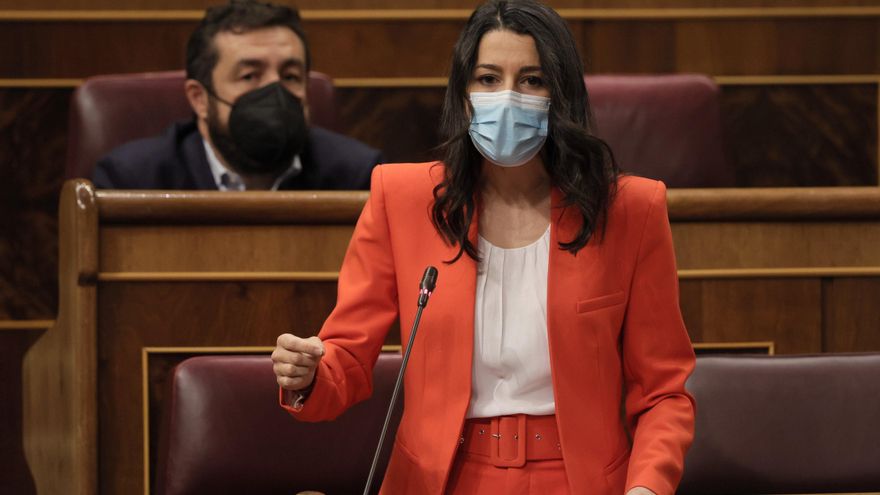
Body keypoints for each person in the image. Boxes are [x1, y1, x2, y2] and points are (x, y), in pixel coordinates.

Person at [271, 1, 695, 493]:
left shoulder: (630, 210)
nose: (508, 97)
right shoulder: (401, 200)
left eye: (532, 80)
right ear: (464, 93)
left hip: (580, 480)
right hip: (438, 479)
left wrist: (647, 487)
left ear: (561, 94)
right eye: (489, 79)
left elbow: (664, 393)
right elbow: (345, 359)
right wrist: (307, 374)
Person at [92, 0, 381, 190]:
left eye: (290, 76)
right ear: (199, 99)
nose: (274, 91)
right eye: (250, 76)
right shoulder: (131, 182)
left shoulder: (358, 178)